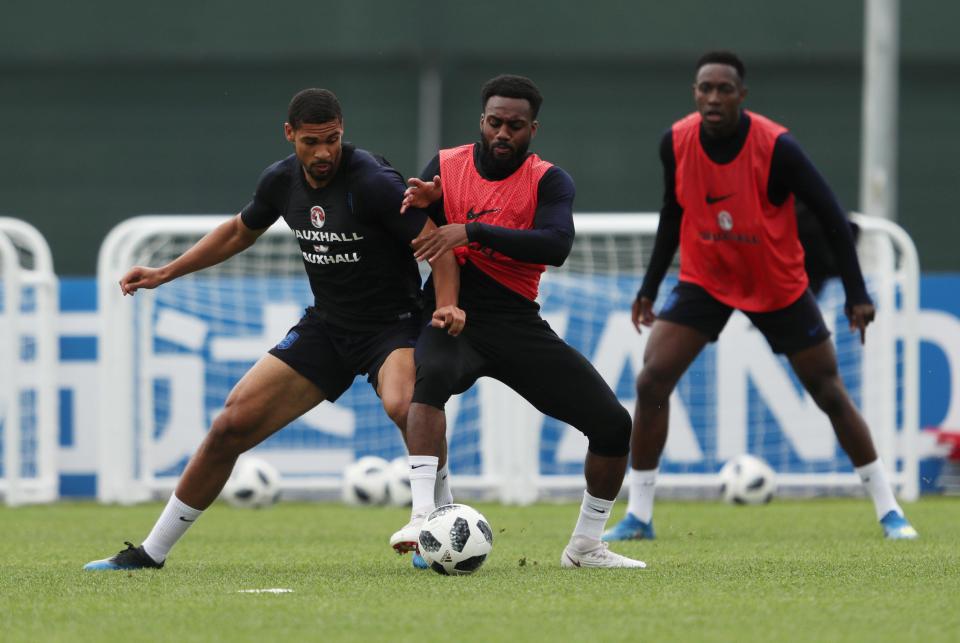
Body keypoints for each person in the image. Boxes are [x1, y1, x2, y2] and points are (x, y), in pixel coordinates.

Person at [84, 88, 465, 571]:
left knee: (404, 405)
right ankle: (149, 552)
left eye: (332, 140)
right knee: (230, 425)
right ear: (290, 135)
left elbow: (439, 246)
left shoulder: (372, 181)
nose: (323, 152)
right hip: (328, 327)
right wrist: (164, 272)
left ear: (342, 131)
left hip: (392, 327)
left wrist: (447, 305)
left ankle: (432, 525)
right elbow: (239, 232)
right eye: (311, 142)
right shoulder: (281, 181)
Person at [602, 51, 918, 542]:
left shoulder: (776, 147)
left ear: (741, 96)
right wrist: (649, 287)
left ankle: (889, 510)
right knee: (651, 380)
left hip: (777, 283)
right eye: (705, 88)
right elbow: (672, 213)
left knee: (828, 390)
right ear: (695, 93)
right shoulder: (677, 141)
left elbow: (834, 216)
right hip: (706, 278)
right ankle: (639, 515)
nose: (713, 97)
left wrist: (857, 292)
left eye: (723, 89)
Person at [393, 74, 646, 569]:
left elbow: (556, 245)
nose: (502, 134)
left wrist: (473, 230)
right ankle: (424, 516)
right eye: (494, 123)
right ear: (481, 122)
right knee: (431, 380)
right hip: (452, 312)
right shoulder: (446, 166)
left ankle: (586, 547)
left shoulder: (549, 180)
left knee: (614, 426)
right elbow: (413, 223)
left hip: (516, 321)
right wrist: (419, 206)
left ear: (533, 129)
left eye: (515, 125)